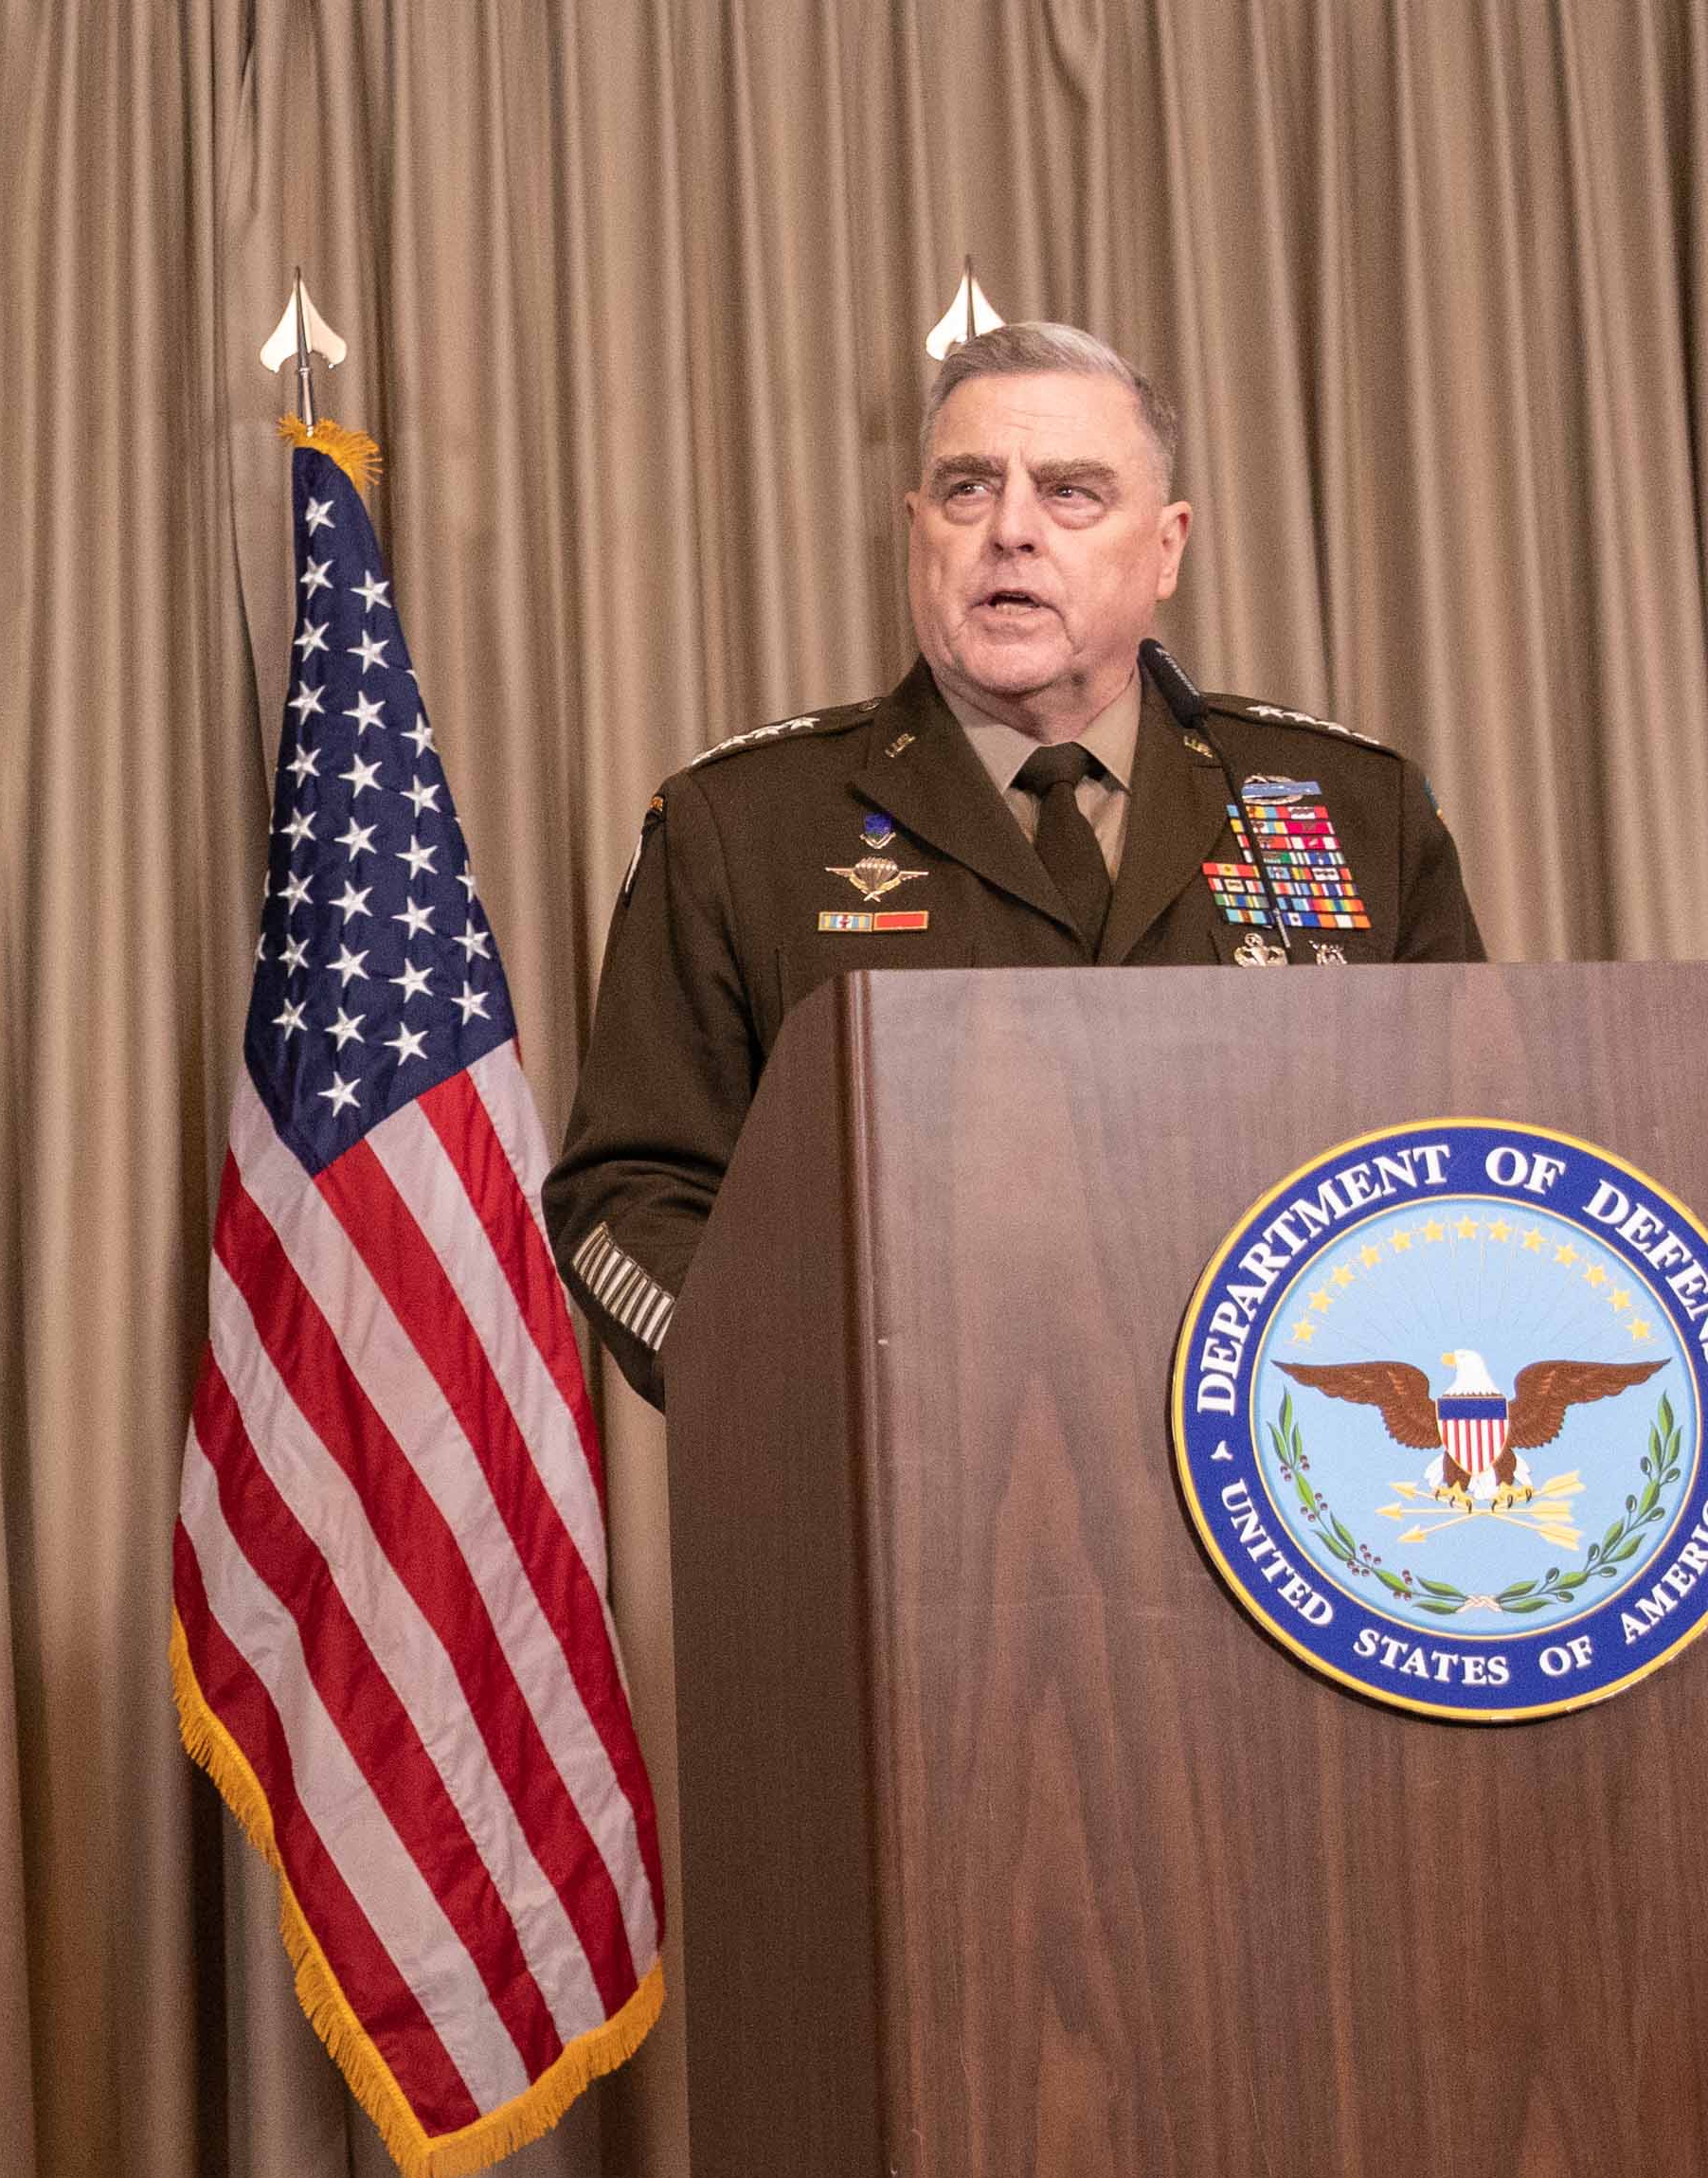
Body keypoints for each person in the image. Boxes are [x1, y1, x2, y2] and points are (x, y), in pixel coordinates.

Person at [544, 320, 1484, 1404]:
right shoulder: (742, 825)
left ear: (1167, 545)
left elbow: (1460, 1155)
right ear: (915, 530)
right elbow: (627, 1191)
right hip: (897, 1476)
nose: (1011, 532)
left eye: (1070, 492)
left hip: (1289, 1466)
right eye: (966, 490)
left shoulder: (1354, 810)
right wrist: (784, 1384)